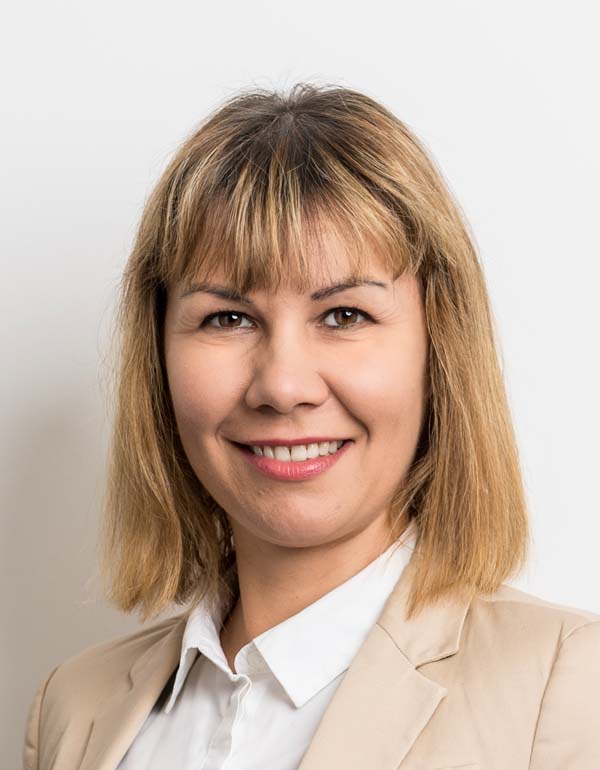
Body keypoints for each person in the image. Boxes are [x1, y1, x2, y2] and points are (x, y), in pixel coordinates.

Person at [23, 83, 600, 770]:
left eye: (344, 315)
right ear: (158, 358)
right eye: (227, 318)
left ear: (438, 349)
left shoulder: (568, 689)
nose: (283, 386)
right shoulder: (74, 707)